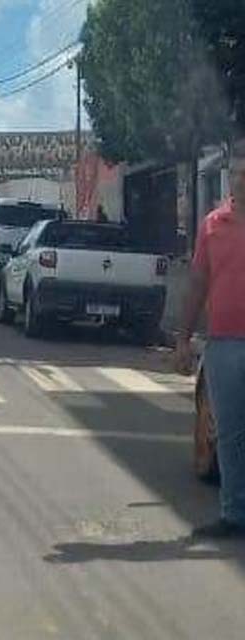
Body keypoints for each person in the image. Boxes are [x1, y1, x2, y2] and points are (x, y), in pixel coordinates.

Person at [175, 144, 245, 538]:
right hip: (224, 344)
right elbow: (198, 282)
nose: (240, 181)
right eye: (236, 174)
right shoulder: (214, 225)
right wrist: (183, 339)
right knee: (231, 433)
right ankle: (235, 514)